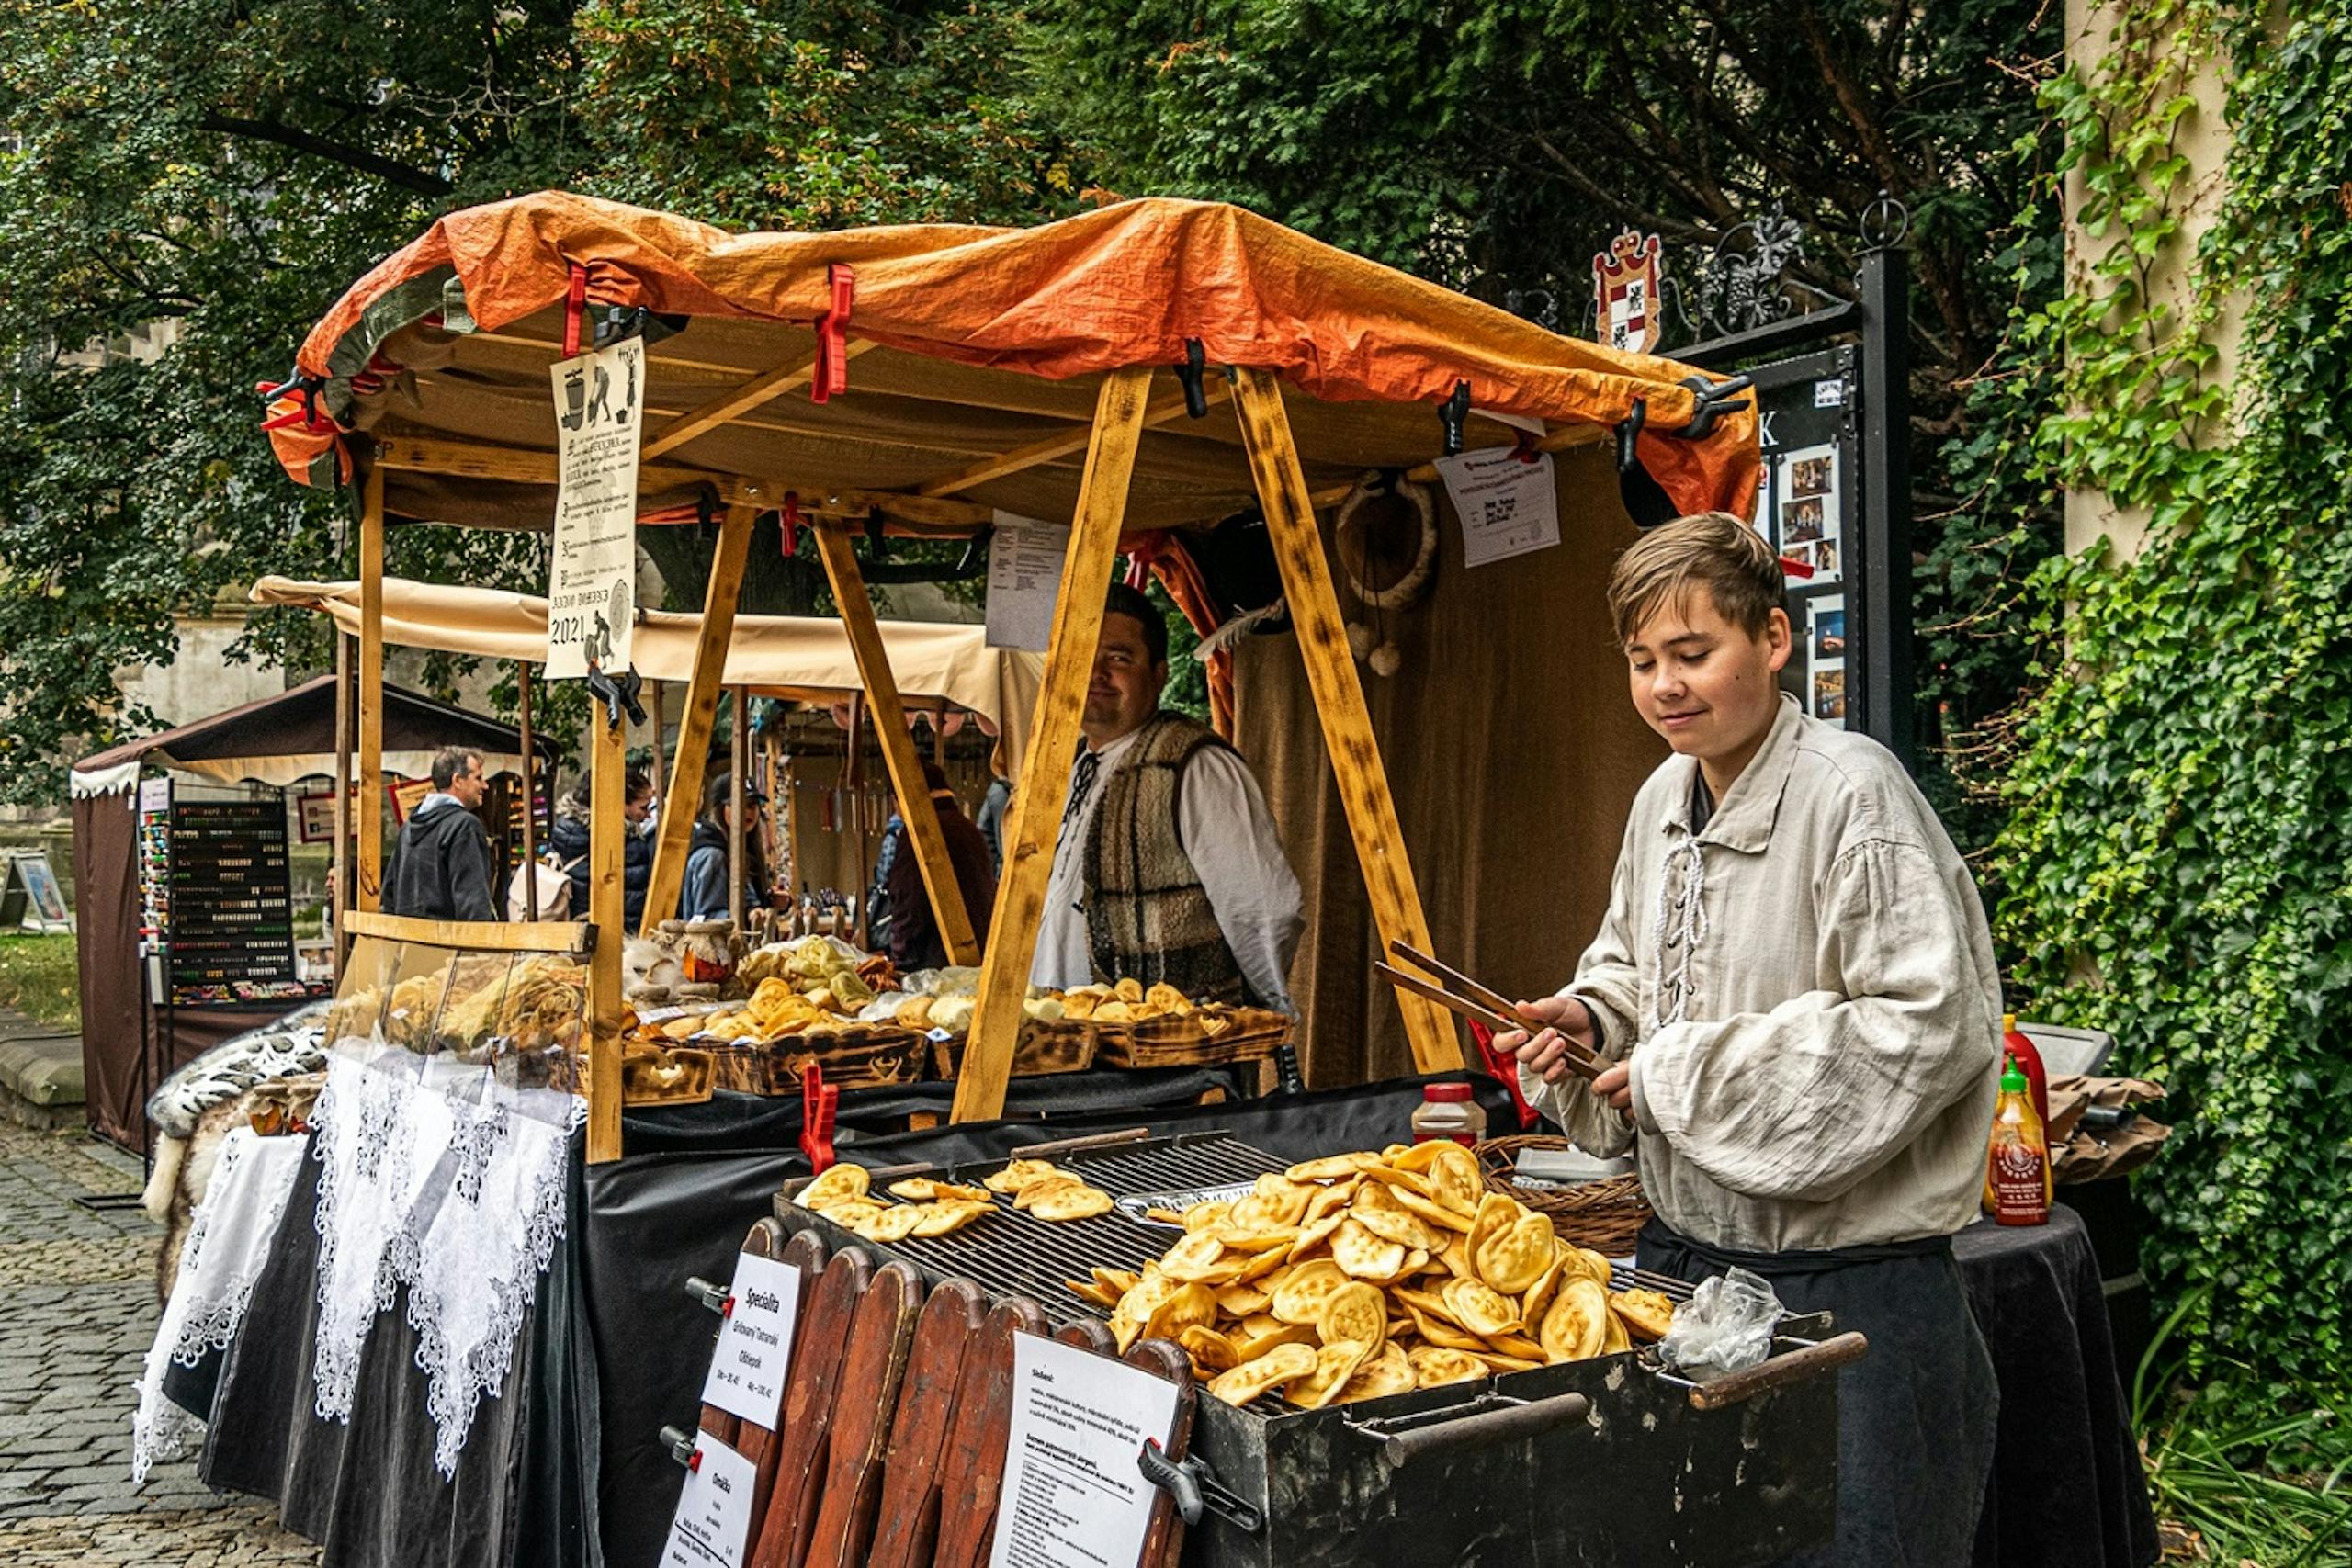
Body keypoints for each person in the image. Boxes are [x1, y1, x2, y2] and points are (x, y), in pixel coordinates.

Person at [1495, 513, 2002, 1568]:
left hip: (1849, 1301)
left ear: (1772, 638)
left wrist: (1676, 1071)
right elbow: (1633, 964)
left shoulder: (1853, 793)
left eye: (1692, 653)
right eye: (1642, 661)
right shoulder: (1659, 798)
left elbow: (1926, 1026)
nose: (1663, 686)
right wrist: (1594, 1018)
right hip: (1685, 1281)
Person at [1031, 583, 1302, 1009]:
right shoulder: (1064, 767)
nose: (1096, 673)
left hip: (1163, 1039)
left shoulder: (1195, 765)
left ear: (1158, 674)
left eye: (1119, 658)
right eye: (1084, 654)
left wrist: (1257, 1013)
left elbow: (1265, 910)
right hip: (1062, 1029)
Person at [879, 760, 998, 970]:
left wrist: (900, 960)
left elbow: (909, 904)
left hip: (933, 965)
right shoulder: (969, 829)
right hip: (978, 957)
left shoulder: (920, 833)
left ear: (899, 797)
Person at [381, 746, 497, 921]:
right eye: (478, 778)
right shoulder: (464, 826)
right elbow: (473, 902)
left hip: (409, 937)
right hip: (449, 937)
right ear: (457, 780)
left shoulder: (408, 827)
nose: (485, 785)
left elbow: (389, 896)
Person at [547, 762, 655, 928]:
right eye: (643, 807)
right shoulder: (625, 844)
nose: (648, 815)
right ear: (620, 803)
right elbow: (630, 907)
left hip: (570, 930)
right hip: (616, 935)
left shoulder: (566, 832)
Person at [679, 770, 770, 921]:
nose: (748, 812)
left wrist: (769, 902)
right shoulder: (711, 856)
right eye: (739, 804)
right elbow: (707, 919)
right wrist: (748, 916)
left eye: (753, 805)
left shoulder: (744, 850)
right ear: (721, 809)